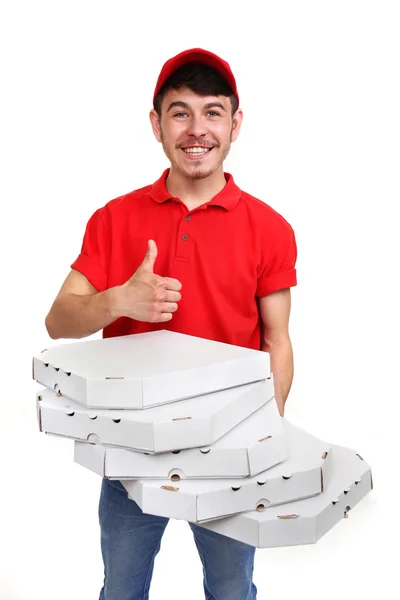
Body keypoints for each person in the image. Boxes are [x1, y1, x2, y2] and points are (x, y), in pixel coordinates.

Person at [45, 47, 297, 600]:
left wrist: (263, 443)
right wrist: (117, 302)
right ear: (157, 124)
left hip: (229, 451)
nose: (197, 129)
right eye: (180, 112)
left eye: (212, 111)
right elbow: (58, 322)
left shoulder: (270, 228)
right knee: (123, 590)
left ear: (235, 124)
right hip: (131, 451)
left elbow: (277, 339)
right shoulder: (115, 218)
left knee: (233, 591)